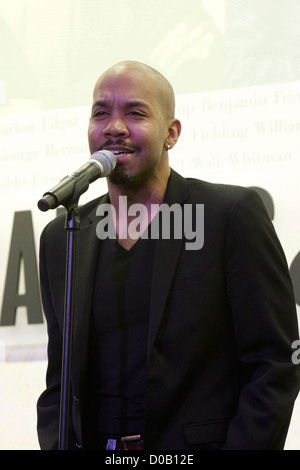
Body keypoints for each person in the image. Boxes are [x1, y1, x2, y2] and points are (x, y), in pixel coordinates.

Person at [37, 60, 300, 450]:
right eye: (100, 112)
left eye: (135, 112)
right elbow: (61, 379)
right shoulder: (64, 236)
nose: (114, 127)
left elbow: (275, 362)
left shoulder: (228, 214)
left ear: (171, 133)